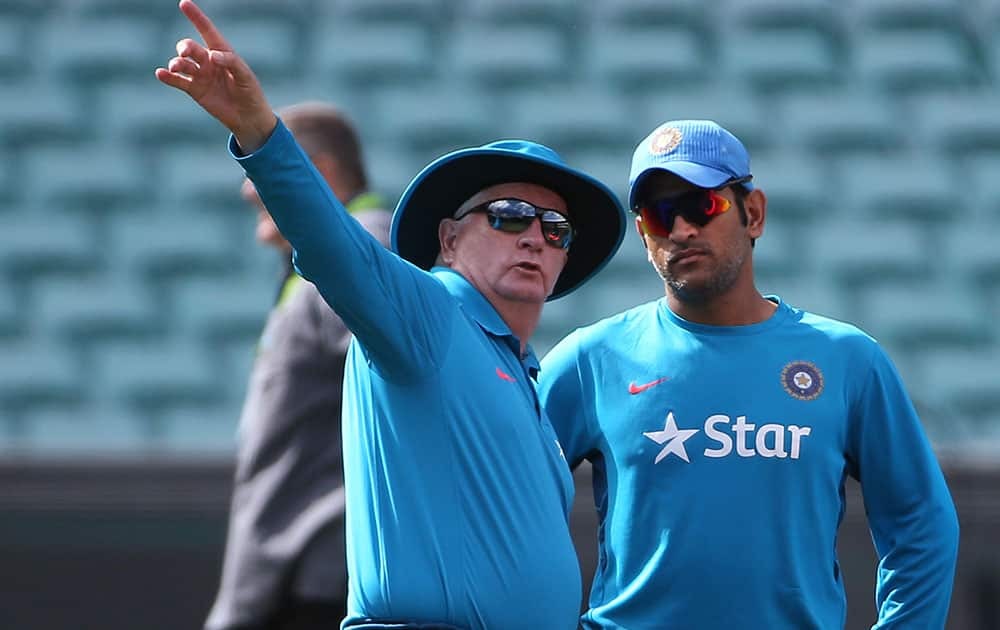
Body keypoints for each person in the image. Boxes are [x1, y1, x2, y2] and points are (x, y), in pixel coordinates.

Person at [155, 2, 627, 628]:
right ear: (449, 240)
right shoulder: (428, 314)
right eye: (510, 215)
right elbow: (333, 245)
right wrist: (260, 132)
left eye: (556, 228)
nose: (536, 236)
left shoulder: (526, 376)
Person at [537, 119, 960, 629]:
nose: (681, 229)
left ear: (753, 214)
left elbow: (922, 522)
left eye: (702, 206)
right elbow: (497, 504)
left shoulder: (848, 359)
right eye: (658, 214)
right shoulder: (591, 358)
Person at [205, 102, 392, 630]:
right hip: (304, 575)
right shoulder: (334, 254)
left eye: (255, 172)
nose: (246, 191)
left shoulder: (362, 246)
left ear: (321, 172)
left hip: (317, 579)